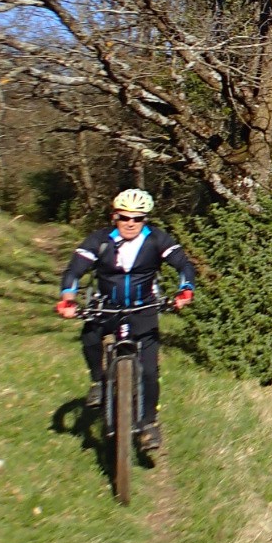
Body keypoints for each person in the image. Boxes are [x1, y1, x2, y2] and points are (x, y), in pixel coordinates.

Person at [56, 188, 197, 453]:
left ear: (145, 220)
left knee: (149, 370)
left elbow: (184, 266)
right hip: (106, 306)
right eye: (124, 217)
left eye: (138, 218)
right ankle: (98, 381)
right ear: (114, 217)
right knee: (89, 338)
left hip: (144, 307)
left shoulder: (157, 240)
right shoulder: (99, 240)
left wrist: (185, 290)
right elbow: (74, 269)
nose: (130, 223)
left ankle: (149, 424)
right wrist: (68, 297)